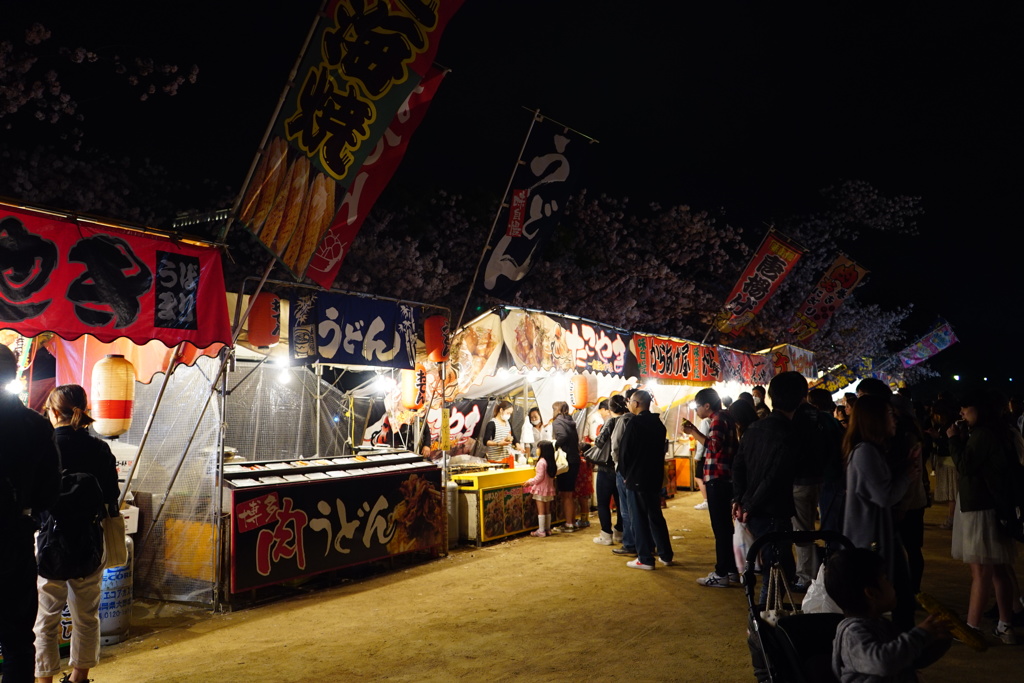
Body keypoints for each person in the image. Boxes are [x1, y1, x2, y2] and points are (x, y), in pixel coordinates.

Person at [34, 385, 120, 683]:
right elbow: (111, 497)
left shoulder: (45, 446)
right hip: (89, 542)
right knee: (86, 615)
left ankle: (44, 677)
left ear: (54, 412)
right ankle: (79, 678)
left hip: (49, 542)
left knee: (46, 617)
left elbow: (34, 496)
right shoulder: (100, 449)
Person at [0, 346, 61, 683]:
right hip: (13, 541)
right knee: (17, 640)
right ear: (14, 375)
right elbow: (50, 492)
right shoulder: (33, 426)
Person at [947, 389, 1020, 644]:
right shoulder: (1001, 431)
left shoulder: (983, 434)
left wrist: (954, 440)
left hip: (979, 506)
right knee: (999, 568)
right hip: (995, 505)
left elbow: (966, 465)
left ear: (981, 409)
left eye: (967, 408)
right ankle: (1005, 624)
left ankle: (972, 627)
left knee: (980, 571)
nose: (962, 413)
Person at [842, 393, 917, 632]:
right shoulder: (865, 452)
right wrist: (907, 475)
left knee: (900, 598)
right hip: (871, 542)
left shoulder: (870, 451)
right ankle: (896, 654)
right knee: (892, 601)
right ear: (875, 419)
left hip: (878, 538)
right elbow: (884, 496)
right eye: (889, 415)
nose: (894, 420)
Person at [732, 372, 807, 596]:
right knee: (775, 573)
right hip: (771, 511)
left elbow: (738, 465)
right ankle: (764, 626)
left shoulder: (754, 428)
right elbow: (774, 477)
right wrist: (748, 504)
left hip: (752, 509)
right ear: (802, 398)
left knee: (772, 569)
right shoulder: (790, 434)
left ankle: (762, 623)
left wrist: (739, 499)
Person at [826, 548, 951, 683]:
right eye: (885, 579)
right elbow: (883, 663)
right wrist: (920, 635)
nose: (891, 583)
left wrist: (939, 641)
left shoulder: (882, 624)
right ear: (871, 593)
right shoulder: (852, 634)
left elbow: (909, 659)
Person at [683, 387, 739, 587]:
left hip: (718, 478)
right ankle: (732, 570)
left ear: (707, 406)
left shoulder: (717, 419)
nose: (696, 410)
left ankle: (721, 573)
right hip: (725, 477)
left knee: (721, 528)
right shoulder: (728, 417)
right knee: (725, 527)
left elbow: (714, 446)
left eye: (697, 407)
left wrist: (694, 432)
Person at [618, 390, 672, 570]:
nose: (628, 404)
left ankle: (645, 558)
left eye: (630, 401)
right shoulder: (659, 424)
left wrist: (626, 475)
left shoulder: (635, 424)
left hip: (637, 477)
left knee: (639, 518)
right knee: (655, 515)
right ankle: (665, 554)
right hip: (654, 477)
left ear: (637, 404)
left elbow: (624, 453)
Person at [592, 396, 626, 545]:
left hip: (606, 467)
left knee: (603, 502)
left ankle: (606, 534)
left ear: (611, 408)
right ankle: (620, 532)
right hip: (622, 468)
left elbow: (599, 442)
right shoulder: (629, 420)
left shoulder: (610, 422)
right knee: (621, 503)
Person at [611, 389, 637, 556]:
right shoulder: (638, 420)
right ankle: (643, 543)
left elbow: (615, 445)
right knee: (638, 509)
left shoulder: (623, 420)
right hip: (637, 469)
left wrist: (617, 464)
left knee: (626, 509)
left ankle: (629, 544)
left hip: (624, 469)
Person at [551, 401, 581, 533]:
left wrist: (553, 445)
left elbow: (562, 436)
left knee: (566, 494)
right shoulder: (570, 421)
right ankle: (572, 522)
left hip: (566, 461)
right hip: (574, 459)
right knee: (570, 493)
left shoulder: (558, 421)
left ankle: (569, 523)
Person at [523, 441, 557, 537]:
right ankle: (547, 529)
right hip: (549, 489)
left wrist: (529, 482)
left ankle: (541, 531)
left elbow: (539, 477)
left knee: (541, 511)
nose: (537, 450)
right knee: (547, 510)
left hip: (540, 490)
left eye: (538, 448)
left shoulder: (541, 462)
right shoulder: (551, 462)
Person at [483, 400, 520, 465]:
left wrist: (517, 445)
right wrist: (498, 444)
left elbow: (513, 436)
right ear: (501, 410)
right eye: (507, 413)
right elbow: (485, 441)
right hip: (495, 461)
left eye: (510, 414)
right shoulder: (492, 423)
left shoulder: (508, 423)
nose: (509, 415)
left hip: (507, 459)